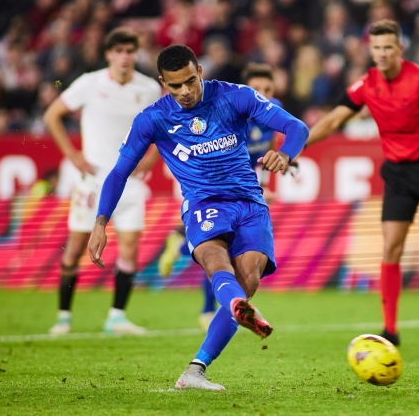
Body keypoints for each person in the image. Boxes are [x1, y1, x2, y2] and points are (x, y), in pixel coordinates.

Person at [87, 45, 308, 390]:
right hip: (204, 204)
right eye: (176, 86)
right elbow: (118, 174)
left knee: (248, 278)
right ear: (164, 83)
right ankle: (236, 305)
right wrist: (101, 222)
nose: (185, 91)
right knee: (214, 258)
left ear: (200, 71)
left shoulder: (235, 97)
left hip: (250, 203)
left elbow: (297, 127)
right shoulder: (152, 119)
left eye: (190, 81)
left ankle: (195, 370)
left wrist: (285, 154)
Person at [305, 19, 419, 347]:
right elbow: (333, 119)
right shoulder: (366, 85)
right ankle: (390, 329)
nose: (383, 53)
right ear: (370, 50)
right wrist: (298, 147)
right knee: (391, 247)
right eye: (377, 48)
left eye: (389, 47)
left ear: (400, 48)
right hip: (399, 174)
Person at [44, 27, 162, 335]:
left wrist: (151, 158)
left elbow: (165, 126)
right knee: (75, 249)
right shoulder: (90, 83)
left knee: (130, 248)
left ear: (136, 53)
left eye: (129, 50)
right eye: (118, 51)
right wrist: (72, 155)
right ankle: (64, 316)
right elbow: (52, 115)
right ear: (108, 54)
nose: (124, 57)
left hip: (130, 182)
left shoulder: (149, 88)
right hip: (93, 180)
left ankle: (117, 317)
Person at [157, 63, 287, 332]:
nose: (263, 93)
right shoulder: (229, 111)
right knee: (219, 252)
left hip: (246, 189)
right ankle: (207, 307)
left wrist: (262, 183)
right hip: (219, 191)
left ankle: (181, 249)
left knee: (227, 258)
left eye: (268, 90)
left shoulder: (269, 113)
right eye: (257, 89)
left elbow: (266, 152)